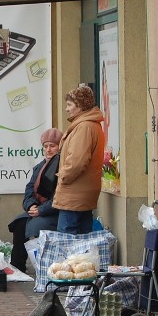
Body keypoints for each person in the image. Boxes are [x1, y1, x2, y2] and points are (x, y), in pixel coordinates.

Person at [8, 128, 62, 271]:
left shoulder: (63, 167)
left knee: (33, 227)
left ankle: (45, 270)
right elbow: (29, 190)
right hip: (38, 210)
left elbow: (61, 197)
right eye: (45, 146)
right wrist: (30, 205)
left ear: (60, 147)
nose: (48, 150)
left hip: (55, 213)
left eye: (52, 146)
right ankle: (17, 268)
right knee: (19, 224)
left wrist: (41, 210)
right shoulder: (39, 167)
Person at [54, 85, 106, 234]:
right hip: (82, 193)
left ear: (81, 106)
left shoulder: (84, 127)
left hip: (74, 194)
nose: (67, 109)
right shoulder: (90, 125)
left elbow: (77, 161)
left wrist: (63, 177)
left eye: (70, 104)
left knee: (67, 241)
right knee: (82, 241)